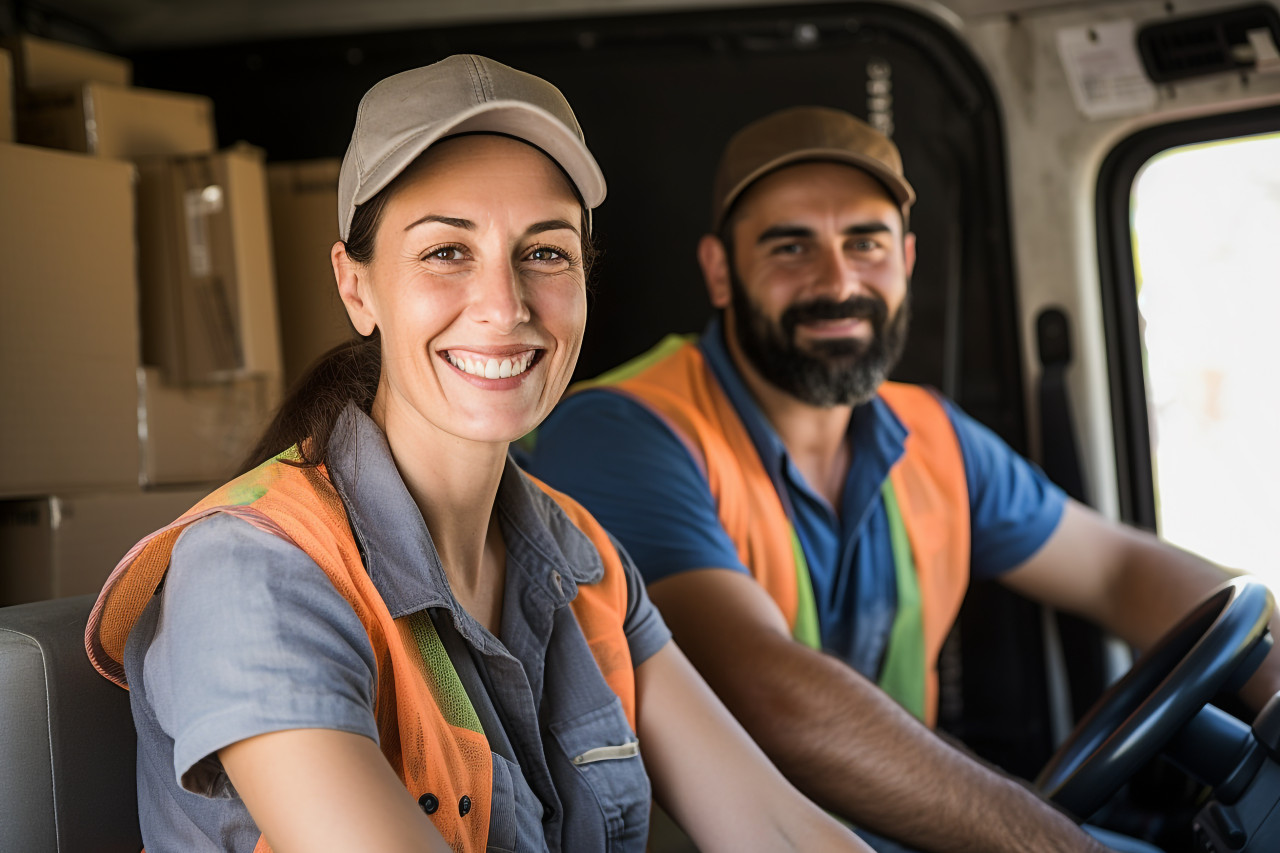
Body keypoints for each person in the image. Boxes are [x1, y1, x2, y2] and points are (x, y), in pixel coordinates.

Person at [84, 59, 870, 853]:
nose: (505, 305)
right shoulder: (253, 569)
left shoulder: (586, 563)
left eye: (546, 253)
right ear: (356, 288)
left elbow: (778, 828)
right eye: (446, 252)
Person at [526, 105, 1280, 852]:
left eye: (867, 243)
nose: (838, 280)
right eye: (791, 247)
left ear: (907, 260)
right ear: (721, 272)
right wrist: (1053, 843)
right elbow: (767, 691)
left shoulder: (932, 434)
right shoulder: (623, 431)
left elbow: (1120, 568)